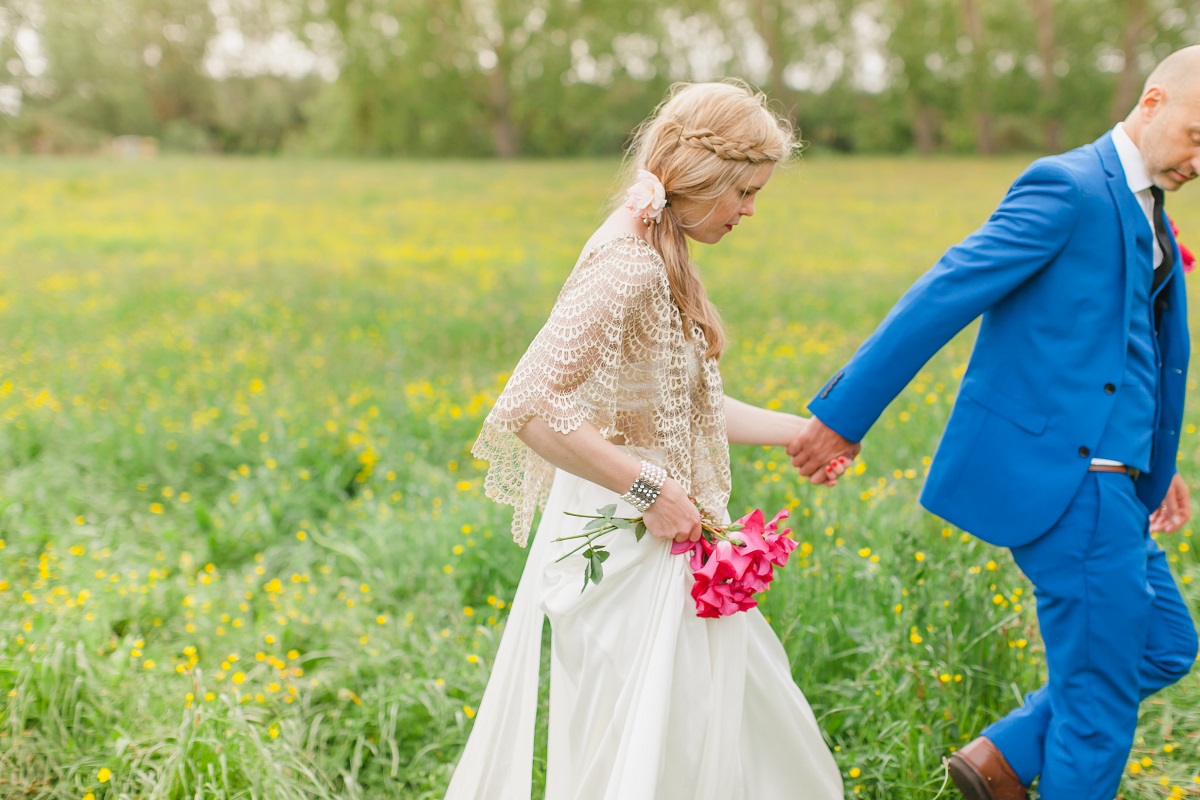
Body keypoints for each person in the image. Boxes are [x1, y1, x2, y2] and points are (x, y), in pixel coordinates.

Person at [788, 45, 1200, 800]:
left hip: (1120, 482)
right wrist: (844, 415)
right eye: (1199, 136)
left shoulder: (1150, 211)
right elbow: (947, 290)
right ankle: (1015, 761)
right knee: (1097, 707)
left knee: (1168, 644)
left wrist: (1157, 461)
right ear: (1153, 102)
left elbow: (1130, 351)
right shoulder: (1068, 187)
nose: (1199, 161)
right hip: (1074, 485)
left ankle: (998, 760)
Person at [443, 81, 845, 800]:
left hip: (669, 536)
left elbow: (682, 412)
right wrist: (651, 491)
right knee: (654, 756)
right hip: (627, 547)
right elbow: (530, 406)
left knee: (730, 735)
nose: (751, 211)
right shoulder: (628, 264)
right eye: (745, 192)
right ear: (699, 177)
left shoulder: (662, 249)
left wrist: (803, 433)